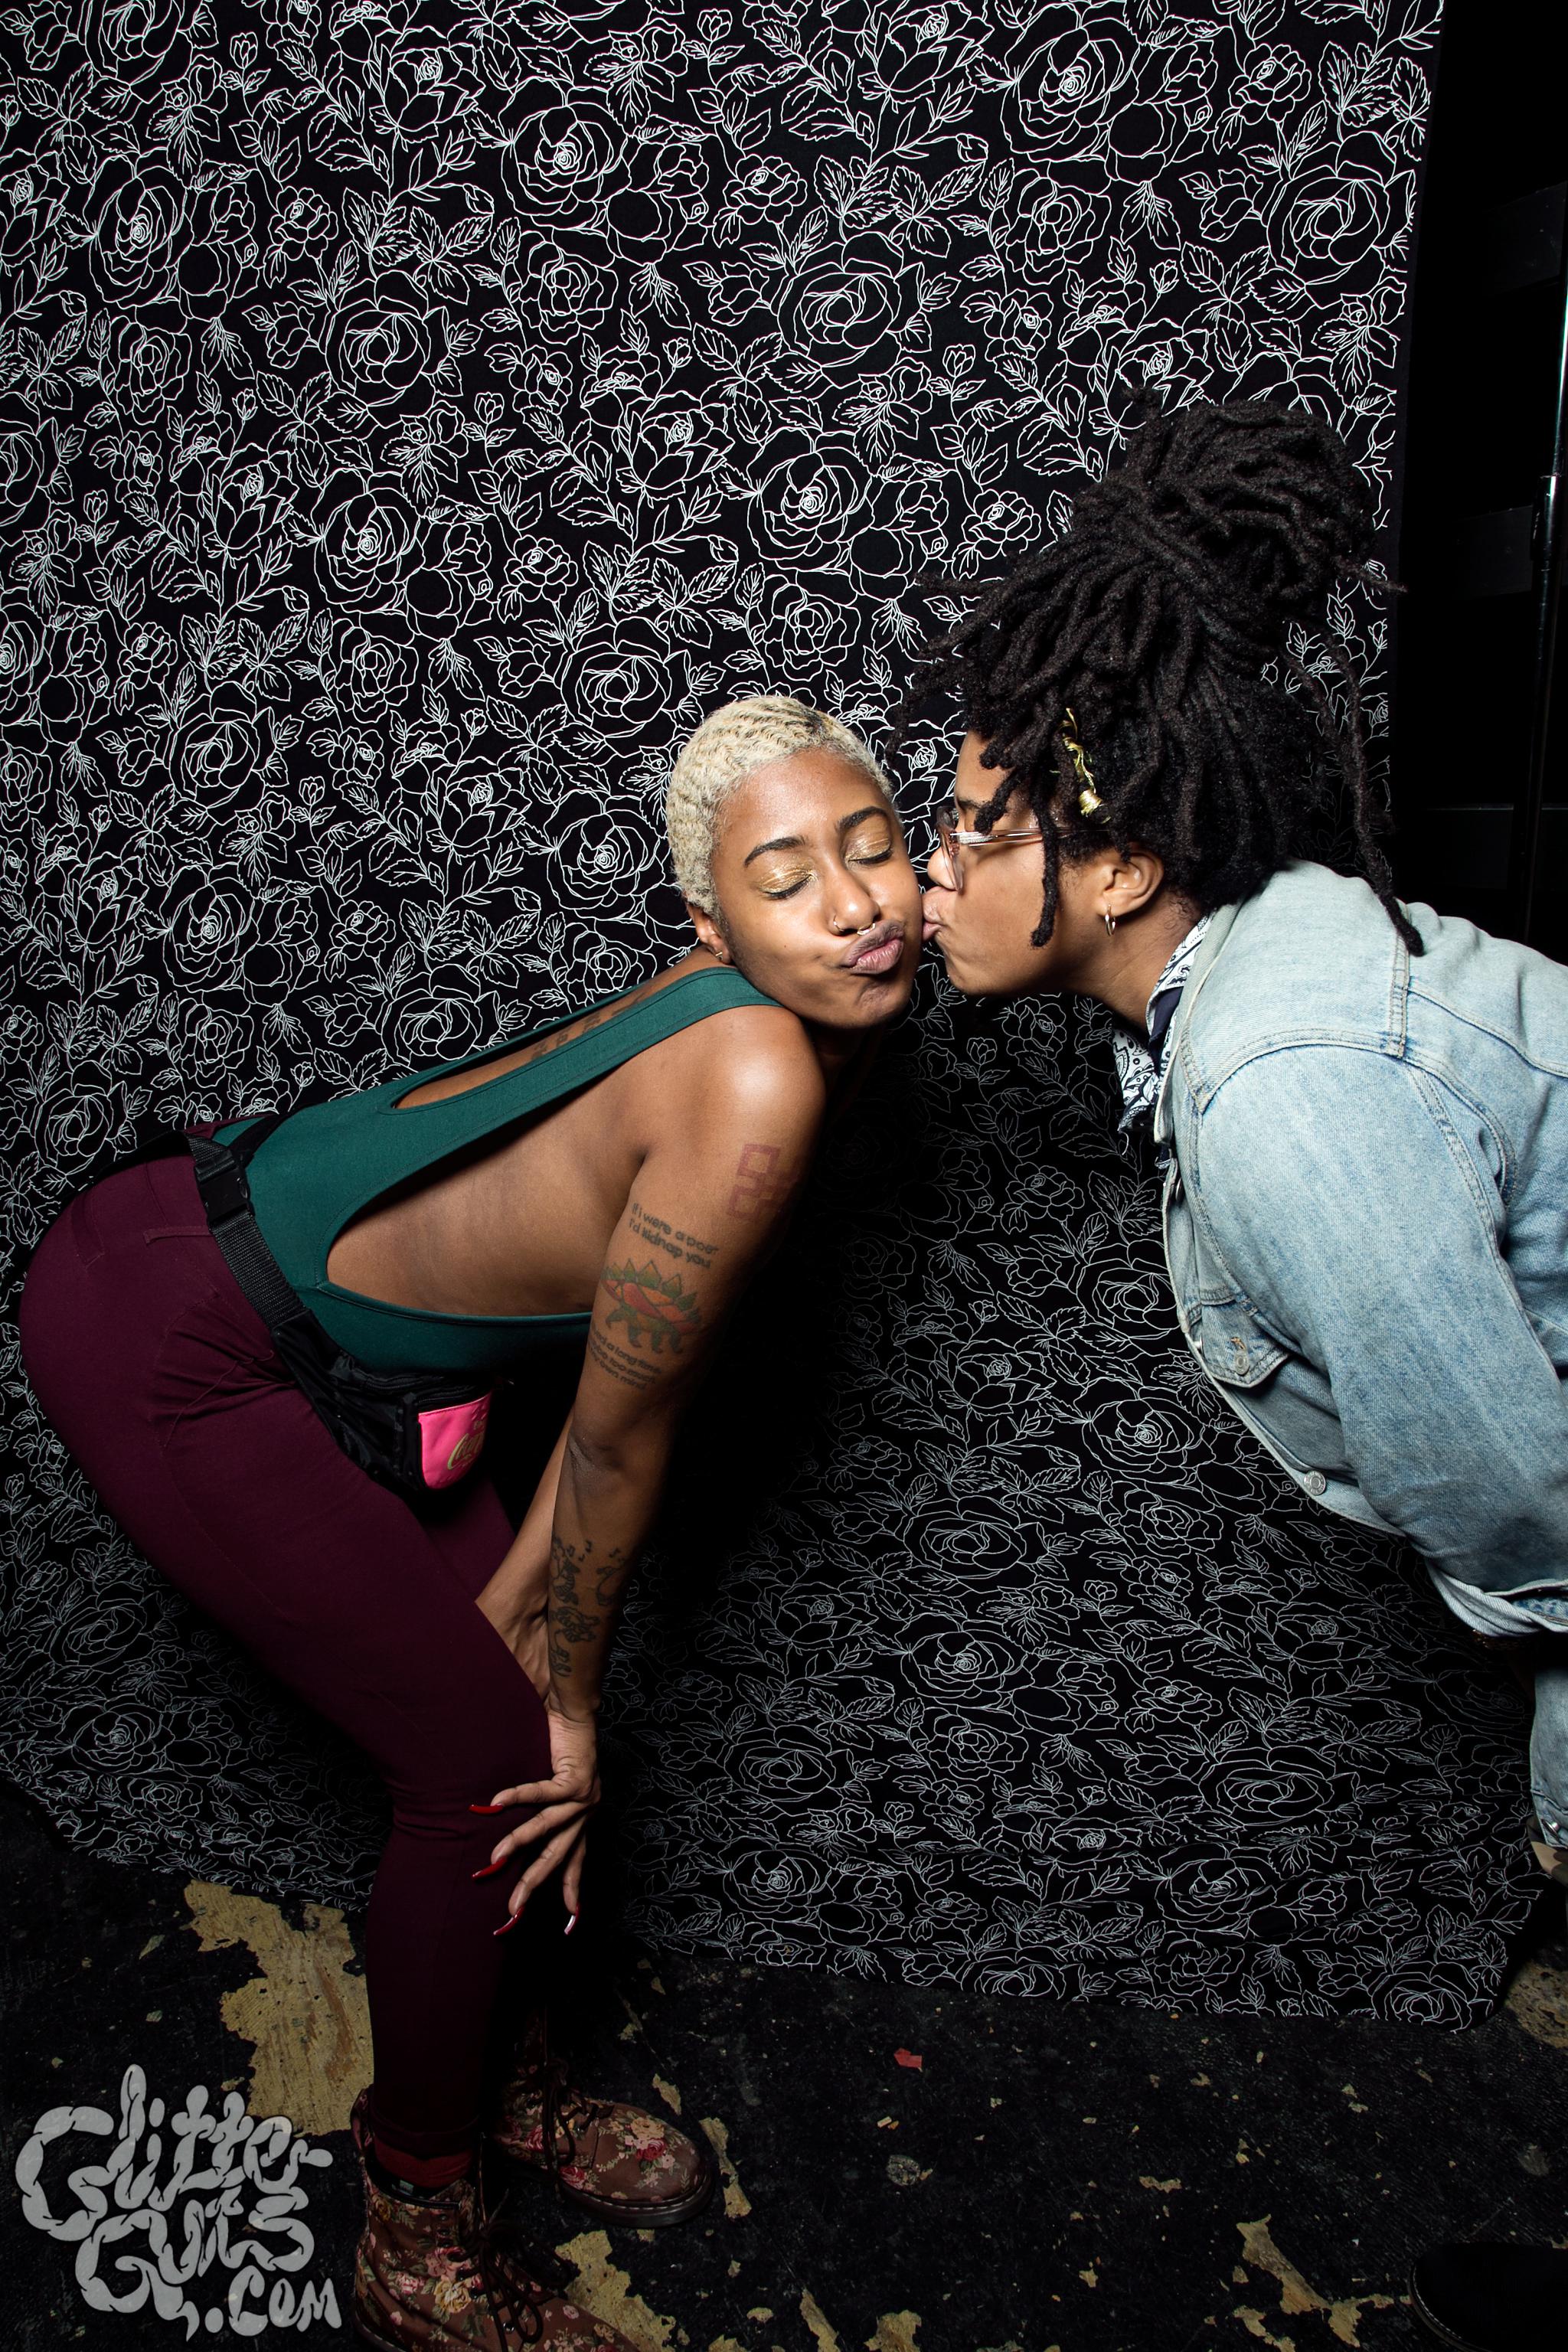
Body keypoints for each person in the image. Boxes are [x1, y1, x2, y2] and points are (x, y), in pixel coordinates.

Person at [20, 695, 923, 2352]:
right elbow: (621, 1434)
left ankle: (488, 2067)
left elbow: (607, 1395)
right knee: (495, 1774)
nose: (857, 903)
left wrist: (522, 1608)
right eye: (790, 877)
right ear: (709, 925)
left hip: (292, 1319)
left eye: (877, 848)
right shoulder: (757, 1074)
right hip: (174, 1336)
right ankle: (417, 2231)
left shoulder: (794, 1026)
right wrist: (565, 1695)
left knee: (502, 1745)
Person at [903, 394, 1568, 2352]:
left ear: (1117, 868)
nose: (928, 872)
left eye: (972, 829)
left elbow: (1525, 1507)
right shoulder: (1250, 969)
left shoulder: (1277, 1092)